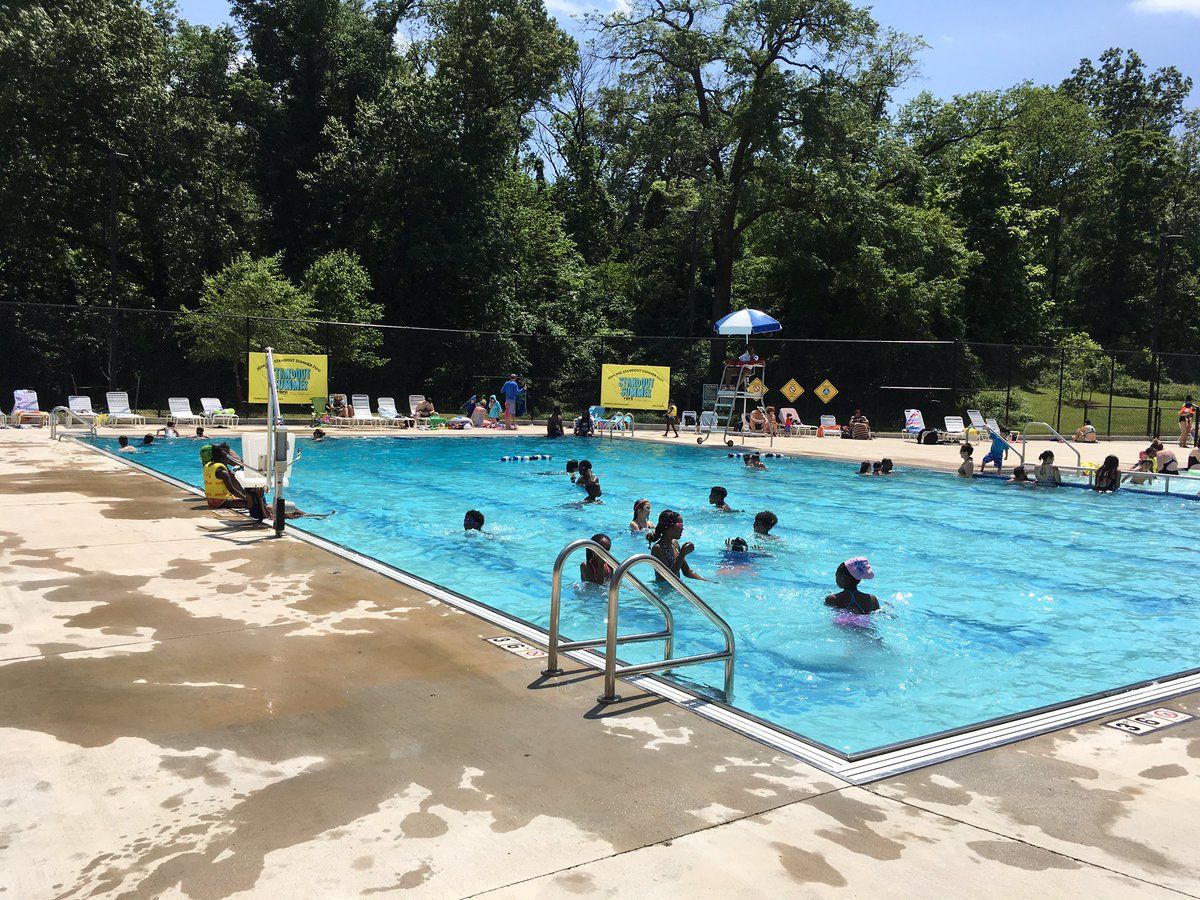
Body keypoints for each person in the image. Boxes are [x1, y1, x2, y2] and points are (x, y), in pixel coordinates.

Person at [203, 443, 265, 520]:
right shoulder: (223, 472)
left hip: (211, 501)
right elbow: (232, 490)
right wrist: (246, 498)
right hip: (221, 502)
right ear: (225, 457)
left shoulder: (208, 465)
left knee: (248, 497)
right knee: (253, 503)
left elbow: (233, 480)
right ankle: (263, 514)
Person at [646, 510, 705, 581]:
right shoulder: (658, 548)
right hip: (663, 589)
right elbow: (668, 577)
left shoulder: (675, 543)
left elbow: (687, 571)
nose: (682, 528)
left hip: (677, 587)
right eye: (679, 525)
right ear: (668, 526)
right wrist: (682, 554)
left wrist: (707, 582)